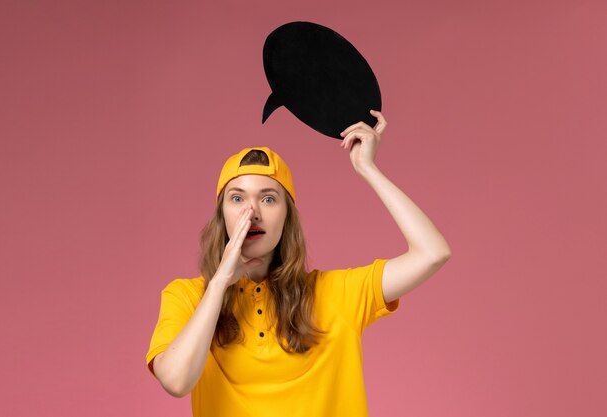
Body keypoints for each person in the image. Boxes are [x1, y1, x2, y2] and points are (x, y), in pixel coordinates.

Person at [145, 111, 451, 416]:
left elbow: (433, 252)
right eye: (237, 199)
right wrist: (219, 282)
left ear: (287, 216)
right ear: (221, 214)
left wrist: (367, 168)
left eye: (268, 199)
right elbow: (175, 381)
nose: (251, 212)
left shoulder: (336, 293)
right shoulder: (186, 297)